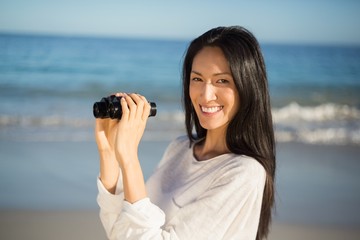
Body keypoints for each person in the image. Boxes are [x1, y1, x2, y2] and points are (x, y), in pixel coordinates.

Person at [95, 26, 276, 240]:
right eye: (197, 79)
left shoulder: (244, 172)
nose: (206, 95)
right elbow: (120, 231)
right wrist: (108, 153)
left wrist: (129, 158)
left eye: (222, 81)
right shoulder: (180, 148)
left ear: (248, 87)